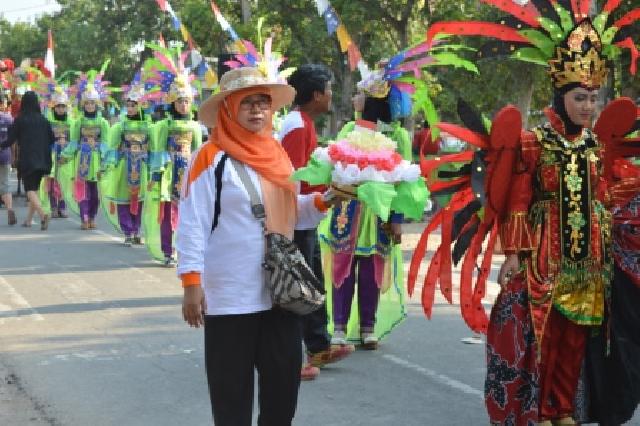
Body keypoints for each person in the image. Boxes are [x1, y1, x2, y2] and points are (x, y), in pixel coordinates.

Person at [415, 5, 640, 424]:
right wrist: (514, 255)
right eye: (580, 98)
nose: (588, 107)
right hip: (544, 256)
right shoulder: (534, 143)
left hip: (590, 259)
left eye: (594, 98)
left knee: (577, 337)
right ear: (560, 96)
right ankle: (541, 409)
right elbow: (519, 201)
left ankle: (563, 408)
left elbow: (603, 195)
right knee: (544, 335)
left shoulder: (594, 147)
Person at [178, 66, 337, 426]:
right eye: (246, 102)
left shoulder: (277, 155)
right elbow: (192, 224)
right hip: (230, 297)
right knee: (231, 399)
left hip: (282, 293)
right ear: (228, 108)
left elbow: (291, 214)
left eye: (263, 102)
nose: (257, 110)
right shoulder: (209, 158)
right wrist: (191, 283)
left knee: (283, 394)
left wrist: (327, 199)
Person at [280, 64, 354, 381]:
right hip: (297, 217)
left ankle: (318, 346)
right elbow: (294, 176)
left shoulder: (304, 122)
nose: (331, 96)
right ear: (316, 95)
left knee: (312, 283)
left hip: (307, 214)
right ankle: (293, 355)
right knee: (299, 287)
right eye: (329, 90)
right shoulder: (297, 125)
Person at [146, 71, 202, 266]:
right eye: (179, 101)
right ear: (172, 102)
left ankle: (185, 250)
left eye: (186, 101)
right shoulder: (164, 125)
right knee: (168, 214)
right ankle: (169, 251)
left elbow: (197, 153)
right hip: (170, 174)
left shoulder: (195, 126)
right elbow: (159, 152)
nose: (183, 105)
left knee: (188, 215)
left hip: (188, 173)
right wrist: (156, 175)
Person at [102, 84, 151, 246]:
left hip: (141, 167)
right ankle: (128, 232)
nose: (130, 109)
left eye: (133, 105)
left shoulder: (148, 127)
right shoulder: (120, 126)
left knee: (139, 200)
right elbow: (112, 148)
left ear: (141, 106)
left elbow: (152, 149)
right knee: (123, 200)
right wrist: (108, 166)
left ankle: (136, 231)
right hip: (124, 166)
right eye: (128, 105)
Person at [0, 91, 54, 230]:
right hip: (43, 159)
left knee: (30, 190)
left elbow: (10, 140)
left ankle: (43, 215)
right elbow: (52, 139)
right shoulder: (44, 120)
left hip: (28, 159)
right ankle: (28, 220)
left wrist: (1, 145)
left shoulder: (20, 120)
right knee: (34, 190)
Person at [62, 79, 111, 230]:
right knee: (82, 190)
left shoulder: (103, 122)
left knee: (95, 193)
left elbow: (106, 144)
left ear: (97, 104)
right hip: (82, 159)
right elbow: (74, 142)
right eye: (87, 103)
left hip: (96, 160)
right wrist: (66, 154)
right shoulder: (79, 122)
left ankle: (92, 216)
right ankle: (84, 218)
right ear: (83, 105)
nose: (90, 106)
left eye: (92, 103)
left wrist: (98, 148)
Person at [44, 87, 75, 219]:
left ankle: (62, 206)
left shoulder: (71, 122)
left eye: (63, 106)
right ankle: (53, 207)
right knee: (52, 181)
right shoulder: (49, 122)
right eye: (58, 106)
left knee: (64, 181)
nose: (61, 109)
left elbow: (74, 140)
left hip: (65, 156)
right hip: (52, 154)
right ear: (54, 107)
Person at [0, 92, 15, 225]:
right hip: (5, 154)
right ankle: (10, 210)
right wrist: (14, 155)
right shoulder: (9, 119)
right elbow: (13, 139)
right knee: (5, 184)